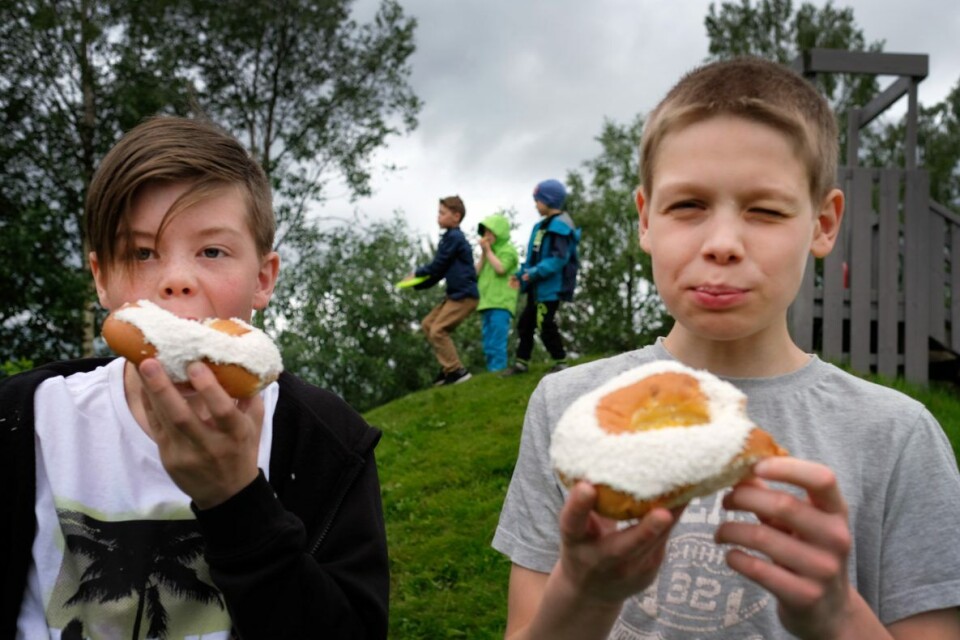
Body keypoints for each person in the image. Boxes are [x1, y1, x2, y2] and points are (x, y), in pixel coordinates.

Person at [491, 57, 960, 639]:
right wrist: (585, 593)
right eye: (687, 206)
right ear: (645, 218)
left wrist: (837, 617)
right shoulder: (569, 408)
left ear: (822, 222)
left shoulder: (897, 438)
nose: (722, 244)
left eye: (765, 210)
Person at [1, 116, 389, 639]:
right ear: (101, 279)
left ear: (263, 279)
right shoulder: (25, 418)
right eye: (141, 253)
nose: (177, 280)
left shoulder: (326, 441)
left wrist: (235, 498)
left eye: (212, 251)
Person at [501, 179, 580, 376]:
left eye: (537, 200)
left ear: (549, 200)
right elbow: (533, 257)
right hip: (536, 287)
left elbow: (558, 259)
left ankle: (560, 361)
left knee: (545, 324)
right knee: (525, 324)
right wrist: (521, 275)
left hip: (550, 288)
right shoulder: (540, 227)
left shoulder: (560, 226)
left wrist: (534, 273)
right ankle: (521, 363)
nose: (535, 204)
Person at [412, 195, 479, 386]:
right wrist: (417, 284)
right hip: (455, 295)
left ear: (456, 216)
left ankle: (457, 371)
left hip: (464, 296)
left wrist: (416, 273)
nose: (438, 217)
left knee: (438, 330)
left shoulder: (455, 237)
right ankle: (448, 370)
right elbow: (438, 273)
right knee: (428, 324)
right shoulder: (449, 238)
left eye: (442, 213)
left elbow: (436, 265)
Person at [475, 213, 520, 372]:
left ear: (499, 232)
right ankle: (491, 373)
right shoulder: (488, 253)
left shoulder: (508, 251)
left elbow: (500, 269)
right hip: (486, 303)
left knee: (497, 342)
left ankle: (498, 370)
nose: (486, 236)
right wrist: (483, 253)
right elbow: (476, 273)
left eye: (489, 232)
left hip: (501, 304)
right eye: (484, 233)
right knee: (488, 343)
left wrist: (488, 252)